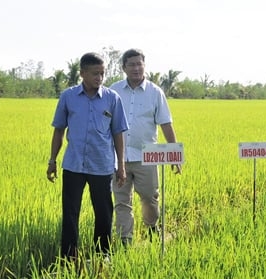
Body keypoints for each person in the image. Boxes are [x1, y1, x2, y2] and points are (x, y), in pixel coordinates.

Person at [46, 52, 128, 259]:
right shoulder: (68, 97)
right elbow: (59, 130)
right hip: (73, 165)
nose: (99, 78)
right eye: (94, 74)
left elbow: (118, 133)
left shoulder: (112, 99)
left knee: (103, 212)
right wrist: (52, 160)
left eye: (102, 74)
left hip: (102, 165)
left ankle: (102, 255)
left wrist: (121, 166)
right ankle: (68, 257)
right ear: (82, 73)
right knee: (70, 212)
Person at [109, 48, 180, 246]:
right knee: (122, 200)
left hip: (146, 155)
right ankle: (125, 239)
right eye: (131, 64)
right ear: (123, 67)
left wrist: (174, 154)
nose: (136, 68)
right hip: (118, 156)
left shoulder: (155, 92)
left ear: (144, 65)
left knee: (150, 196)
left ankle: (151, 227)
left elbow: (165, 123)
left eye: (139, 64)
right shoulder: (113, 90)